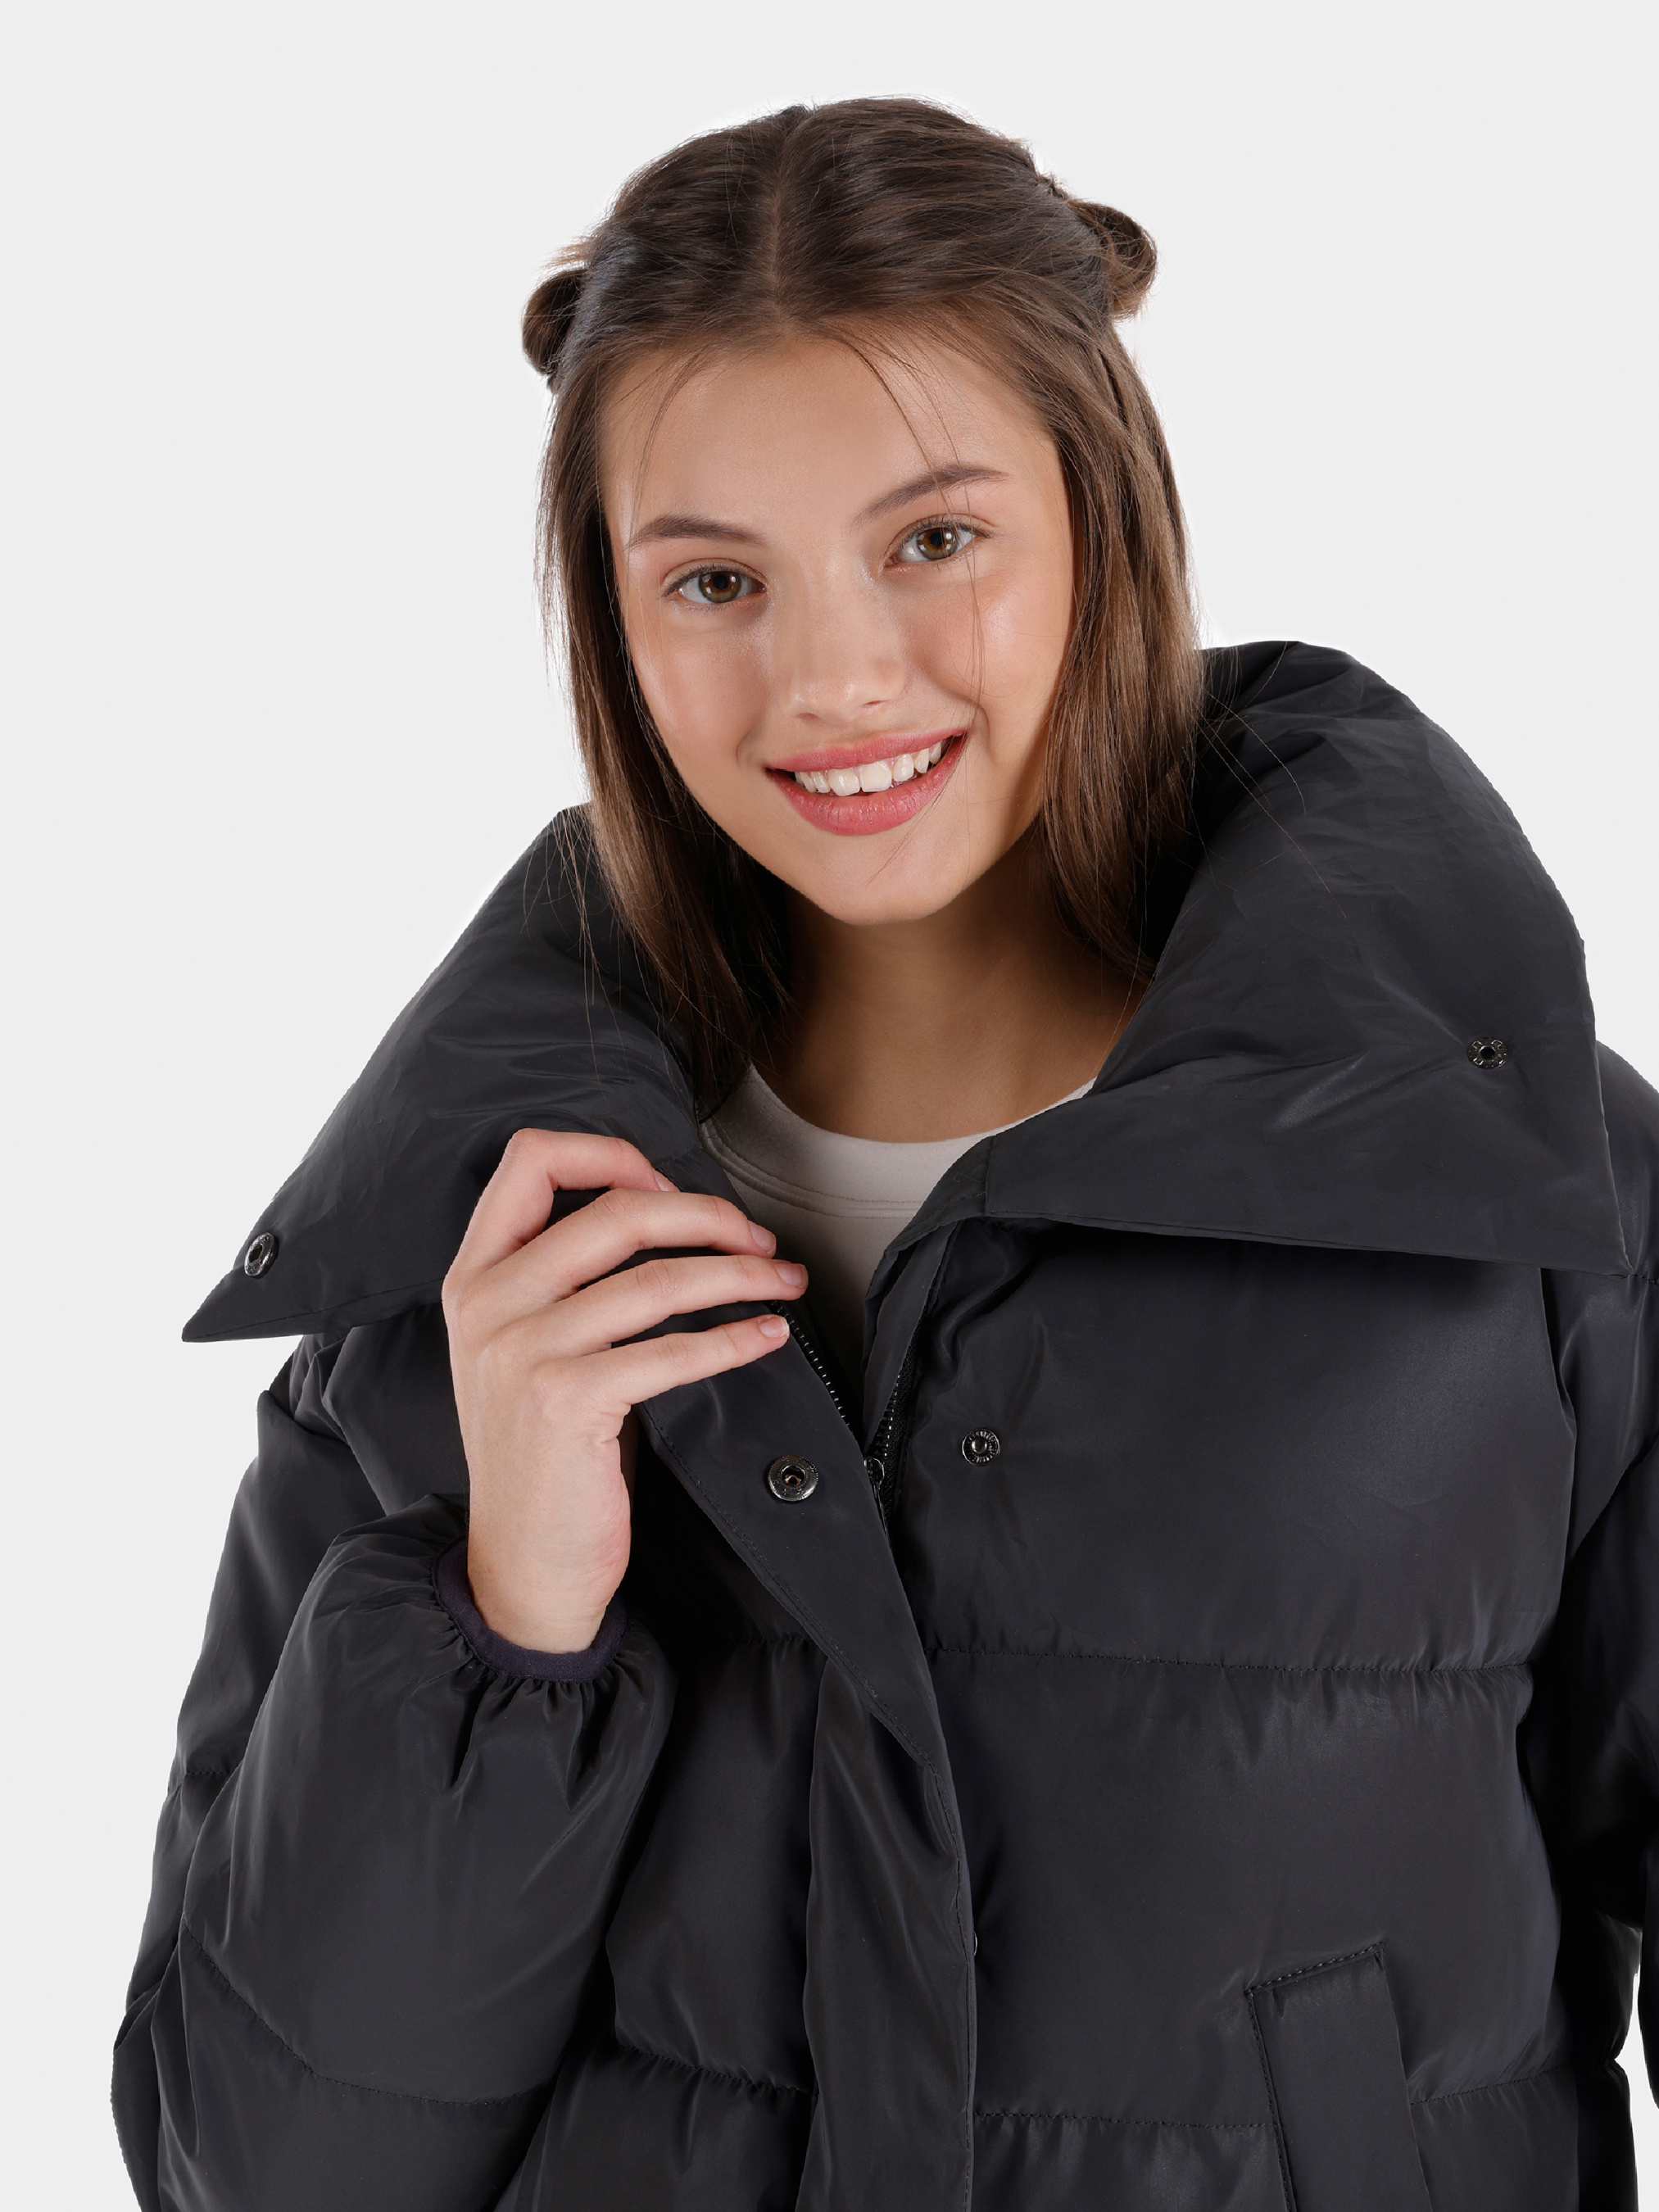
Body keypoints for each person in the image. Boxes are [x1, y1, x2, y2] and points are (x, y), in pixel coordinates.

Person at [112, 97, 1659, 2212]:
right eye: (713, 580)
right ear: (614, 622)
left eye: (933, 541)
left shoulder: (1513, 1202)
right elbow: (258, 2170)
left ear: (1102, 517)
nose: (832, 678)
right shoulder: (463, 1280)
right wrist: (505, 1618)